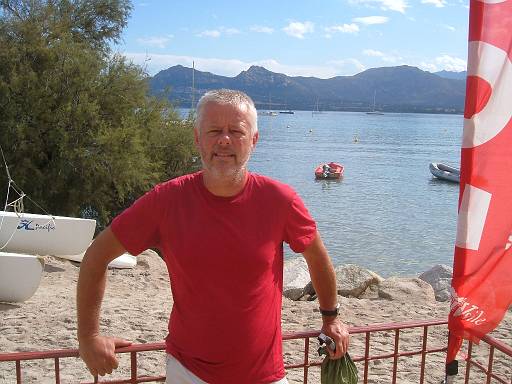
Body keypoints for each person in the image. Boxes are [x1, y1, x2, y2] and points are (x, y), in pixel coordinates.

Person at [76, 89, 350, 384]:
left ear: (254, 141)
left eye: (236, 131)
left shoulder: (279, 200)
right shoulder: (166, 201)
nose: (224, 140)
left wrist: (331, 318)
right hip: (188, 372)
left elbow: (317, 257)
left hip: (264, 375)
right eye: (214, 131)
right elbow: (96, 257)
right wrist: (89, 337)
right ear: (197, 138)